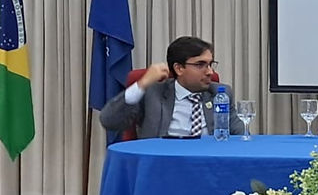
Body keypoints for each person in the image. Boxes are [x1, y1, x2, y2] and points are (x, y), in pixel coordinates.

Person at [100, 36, 244, 138]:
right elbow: (109, 121)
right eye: (200, 65)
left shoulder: (220, 94)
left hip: (208, 163)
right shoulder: (153, 93)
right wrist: (142, 84)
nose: (210, 72)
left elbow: (240, 135)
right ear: (179, 68)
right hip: (163, 163)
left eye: (210, 64)